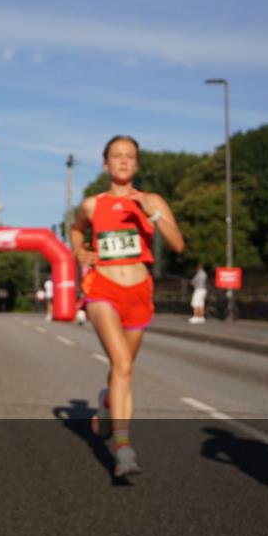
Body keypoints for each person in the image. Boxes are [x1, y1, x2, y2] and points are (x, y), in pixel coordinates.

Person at [71, 135, 184, 478]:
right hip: (102, 288)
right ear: (105, 163)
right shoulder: (92, 205)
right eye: (116, 155)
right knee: (121, 363)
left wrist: (155, 215)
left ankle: (108, 405)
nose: (123, 161)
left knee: (123, 368)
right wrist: (79, 252)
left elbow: (178, 244)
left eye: (129, 156)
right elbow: (76, 230)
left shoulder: (152, 200)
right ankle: (123, 449)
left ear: (136, 164)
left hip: (138, 292)